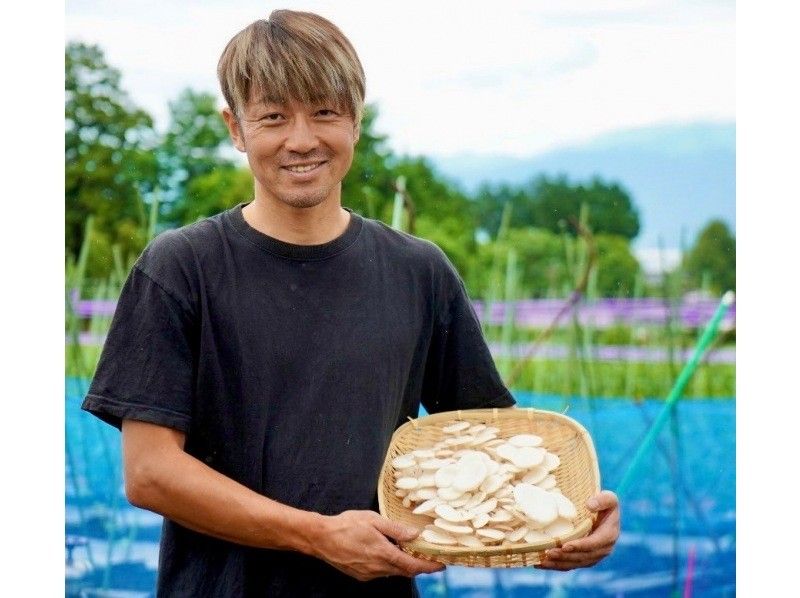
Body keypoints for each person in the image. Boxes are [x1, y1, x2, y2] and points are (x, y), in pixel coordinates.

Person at [81, 9, 620, 597]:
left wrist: (572, 518)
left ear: (356, 121)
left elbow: (487, 451)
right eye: (272, 117)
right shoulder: (181, 269)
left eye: (325, 112)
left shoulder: (420, 273)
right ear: (235, 129)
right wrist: (315, 535)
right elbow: (151, 473)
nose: (302, 139)